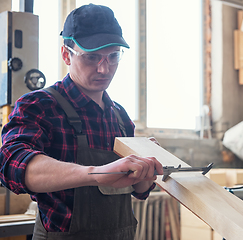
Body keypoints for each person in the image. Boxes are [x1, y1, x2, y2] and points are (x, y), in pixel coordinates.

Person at [0, 4, 163, 240]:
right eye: (92, 57)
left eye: (113, 56)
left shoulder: (120, 118)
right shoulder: (39, 106)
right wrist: (96, 173)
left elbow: (138, 190)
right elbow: (12, 164)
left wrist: (146, 173)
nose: (104, 68)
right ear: (67, 54)